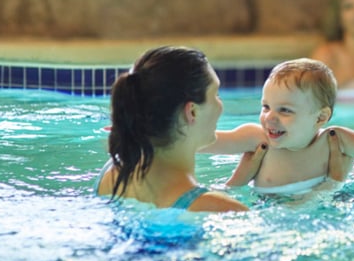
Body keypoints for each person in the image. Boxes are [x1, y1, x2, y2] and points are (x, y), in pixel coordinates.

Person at [201, 58, 354, 196]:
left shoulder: (332, 141)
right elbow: (203, 141)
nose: (270, 117)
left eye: (285, 110)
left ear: (320, 118)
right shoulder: (256, 139)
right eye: (266, 106)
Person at [94, 46, 248, 212]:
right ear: (192, 112)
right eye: (216, 94)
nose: (220, 105)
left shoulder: (110, 175)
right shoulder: (220, 208)